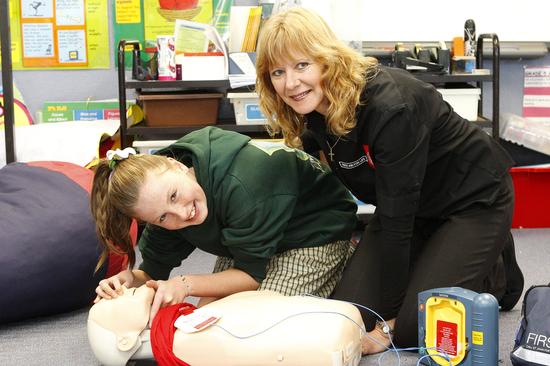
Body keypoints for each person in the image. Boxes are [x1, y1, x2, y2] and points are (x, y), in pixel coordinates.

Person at [255, 7, 524, 354]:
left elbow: (397, 226)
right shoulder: (311, 108)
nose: (291, 83)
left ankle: (495, 268)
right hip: (411, 206)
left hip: (473, 201)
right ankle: (446, 257)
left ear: (326, 59)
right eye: (278, 72)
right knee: (350, 314)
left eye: (302, 65)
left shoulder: (390, 107)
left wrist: (390, 323)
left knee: (415, 329)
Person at [91, 126, 358, 325]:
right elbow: (151, 272)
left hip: (312, 233)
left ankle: (347, 260)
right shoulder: (160, 196)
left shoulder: (244, 183)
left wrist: (185, 284)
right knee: (207, 318)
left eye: (174, 196)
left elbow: (250, 276)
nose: (181, 214)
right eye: (162, 218)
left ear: (176, 165)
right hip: (248, 238)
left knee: (254, 325)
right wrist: (129, 281)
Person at [87, 285, 364, 366]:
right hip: (327, 339)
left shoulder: (187, 319)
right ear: (125, 341)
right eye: (109, 304)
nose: (120, 291)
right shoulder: (185, 343)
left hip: (333, 320)